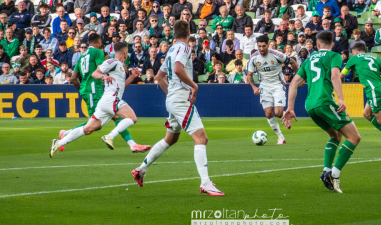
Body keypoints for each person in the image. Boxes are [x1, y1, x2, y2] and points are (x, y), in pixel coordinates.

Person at [131, 20, 224, 196]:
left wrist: (171, 95)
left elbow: (159, 76)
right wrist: (194, 86)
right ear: (189, 32)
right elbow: (178, 69)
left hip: (174, 99)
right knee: (201, 139)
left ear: (173, 33)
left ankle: (141, 169)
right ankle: (205, 182)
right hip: (181, 99)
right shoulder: (184, 48)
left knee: (171, 139)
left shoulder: (171, 49)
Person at [282, 31, 361, 193]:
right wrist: (341, 99)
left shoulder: (308, 60)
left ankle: (326, 171)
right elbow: (334, 76)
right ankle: (335, 174)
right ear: (332, 44)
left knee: (335, 136)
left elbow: (294, 83)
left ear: (317, 45)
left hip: (310, 106)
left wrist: (289, 108)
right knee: (354, 137)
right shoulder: (334, 56)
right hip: (325, 101)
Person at [50, 42, 143, 157]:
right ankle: (111, 136)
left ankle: (60, 142)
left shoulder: (120, 66)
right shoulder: (112, 62)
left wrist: (133, 76)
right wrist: (103, 76)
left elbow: (122, 86)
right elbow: (95, 73)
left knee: (88, 128)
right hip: (111, 99)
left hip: (106, 102)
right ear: (124, 52)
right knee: (132, 118)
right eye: (127, 52)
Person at [246, 35, 298, 145]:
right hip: (264, 86)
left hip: (278, 84)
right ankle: (281, 137)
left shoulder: (277, 55)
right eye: (259, 46)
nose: (261, 49)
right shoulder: (254, 58)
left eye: (263, 46)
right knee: (268, 114)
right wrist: (254, 87)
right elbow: (249, 75)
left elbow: (292, 62)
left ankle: (285, 114)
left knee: (278, 113)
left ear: (268, 45)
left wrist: (299, 78)